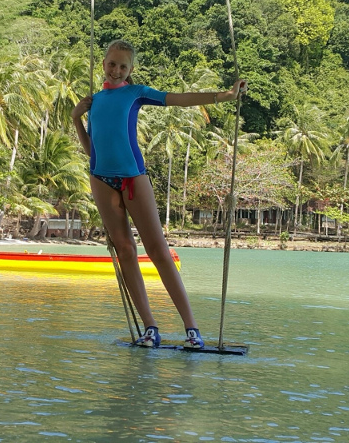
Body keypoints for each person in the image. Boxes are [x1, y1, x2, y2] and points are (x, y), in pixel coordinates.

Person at [71, 39, 246, 348]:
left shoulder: (136, 93)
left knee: (157, 250)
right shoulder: (94, 102)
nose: (116, 70)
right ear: (103, 64)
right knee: (125, 250)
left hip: (133, 178)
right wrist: (76, 119)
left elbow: (180, 99)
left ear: (130, 70)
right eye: (112, 64)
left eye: (123, 66)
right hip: (100, 178)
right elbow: (92, 150)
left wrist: (227, 95)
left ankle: (192, 328)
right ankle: (150, 328)